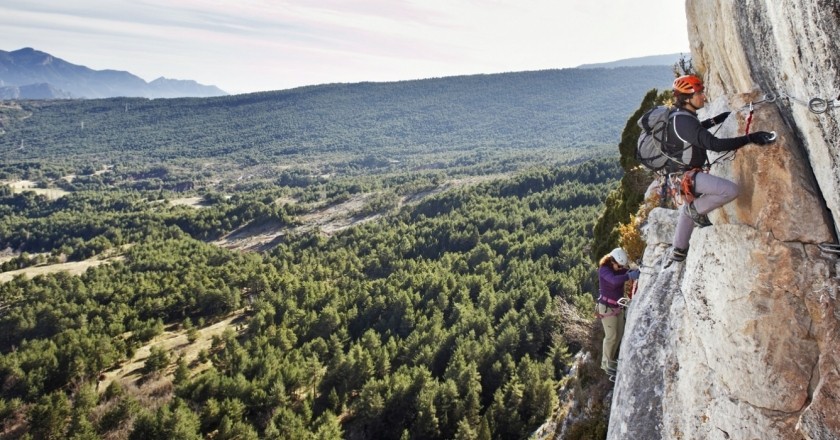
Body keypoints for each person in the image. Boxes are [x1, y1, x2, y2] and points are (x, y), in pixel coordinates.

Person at [667, 74, 776, 262]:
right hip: (687, 177)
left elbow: (696, 131)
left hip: (683, 174)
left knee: (693, 209)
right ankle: (692, 212)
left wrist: (717, 119)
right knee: (729, 190)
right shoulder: (684, 120)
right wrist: (750, 138)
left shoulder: (682, 118)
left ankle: (678, 250)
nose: (703, 96)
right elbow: (714, 144)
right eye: (699, 93)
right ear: (687, 98)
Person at [597, 247, 639, 376]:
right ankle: (606, 363)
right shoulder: (603, 270)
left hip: (617, 307)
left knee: (619, 334)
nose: (620, 268)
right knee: (611, 336)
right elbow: (614, 281)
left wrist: (634, 271)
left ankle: (611, 360)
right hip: (607, 308)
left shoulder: (618, 269)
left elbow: (627, 271)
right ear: (612, 261)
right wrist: (628, 276)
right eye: (618, 266)